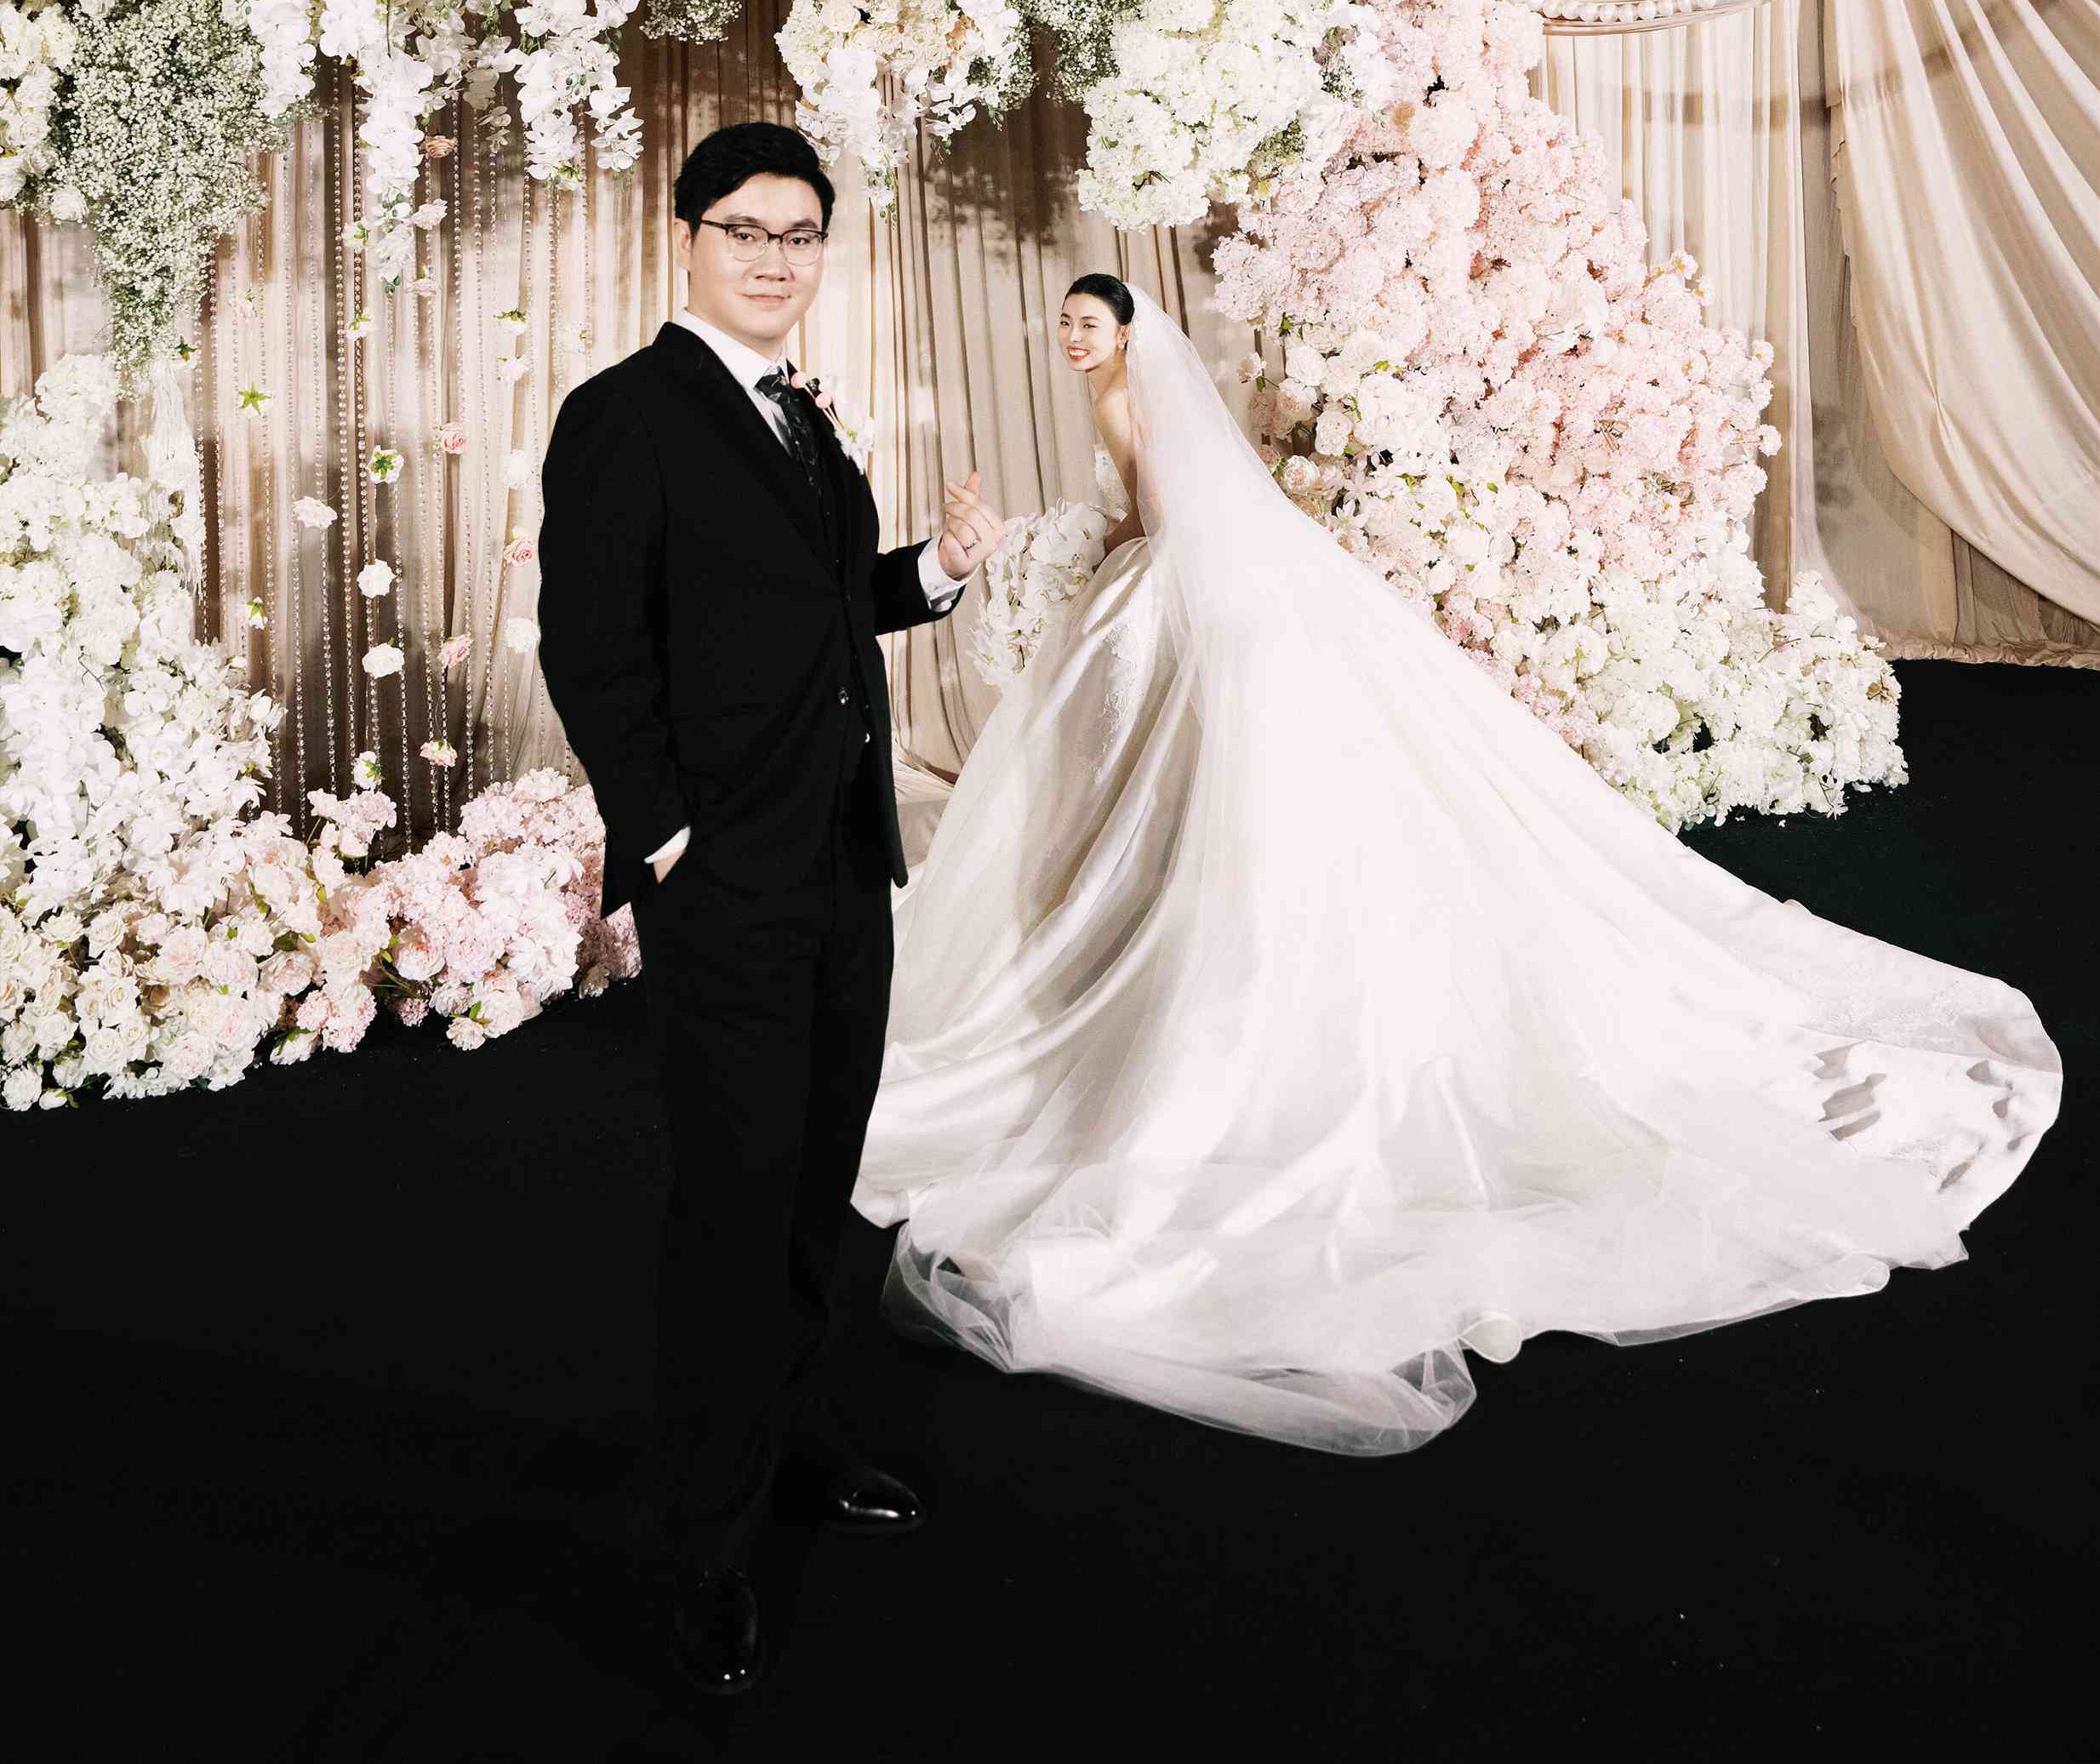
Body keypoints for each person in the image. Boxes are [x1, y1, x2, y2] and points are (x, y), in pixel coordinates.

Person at [853, 273, 2061, 1458]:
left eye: (1089, 324)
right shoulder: (1126, 392)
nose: (1073, 340)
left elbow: (1166, 515)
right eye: (1066, 325)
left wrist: (1099, 558)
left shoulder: (1124, 399)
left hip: (1175, 589)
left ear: (1126, 334)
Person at [537, 121, 1004, 1700]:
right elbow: (591, 647)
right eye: (744, 228)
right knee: (731, 1213)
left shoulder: (801, 416)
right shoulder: (625, 416)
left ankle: (795, 1438)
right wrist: (667, 838)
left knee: (816, 1191)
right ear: (686, 237)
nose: (774, 258)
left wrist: (931, 571)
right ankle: (706, 1547)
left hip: (845, 867)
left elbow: (820, 609)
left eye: (799, 235)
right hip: (729, 878)